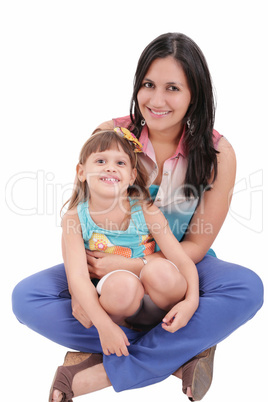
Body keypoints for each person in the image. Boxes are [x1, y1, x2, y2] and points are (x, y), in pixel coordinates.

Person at [12, 32, 263, 402]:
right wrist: (85, 286)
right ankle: (181, 351)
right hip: (104, 267)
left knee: (248, 288)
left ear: (195, 94)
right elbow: (81, 213)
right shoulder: (109, 136)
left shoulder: (217, 153)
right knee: (27, 297)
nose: (157, 100)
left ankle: (105, 369)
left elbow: (196, 243)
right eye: (148, 84)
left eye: (173, 88)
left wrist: (135, 265)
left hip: (173, 268)